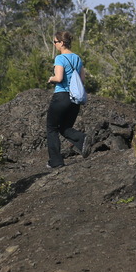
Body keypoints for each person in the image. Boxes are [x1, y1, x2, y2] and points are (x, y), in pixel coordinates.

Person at [46, 31, 92, 169]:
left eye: (55, 42)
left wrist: (51, 79)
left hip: (62, 96)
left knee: (51, 128)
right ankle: (82, 139)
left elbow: (59, 78)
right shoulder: (77, 58)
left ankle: (56, 161)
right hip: (75, 99)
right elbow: (82, 79)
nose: (54, 45)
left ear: (61, 43)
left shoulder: (60, 59)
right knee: (65, 127)